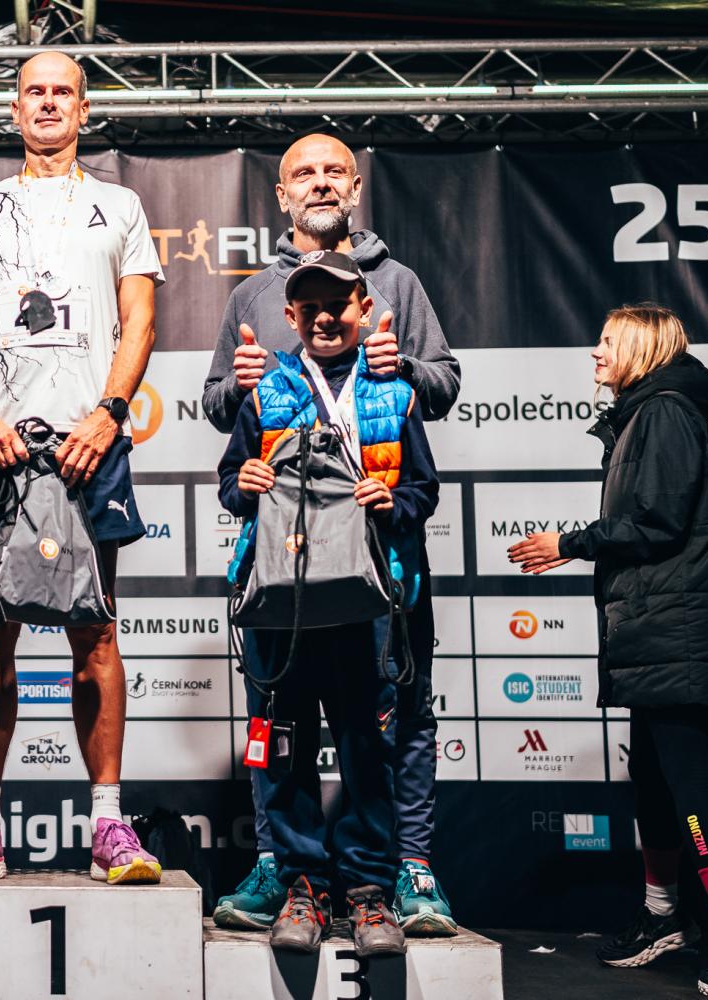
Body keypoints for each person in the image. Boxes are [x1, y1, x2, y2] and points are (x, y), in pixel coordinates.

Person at [204, 132, 461, 936]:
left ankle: (399, 869)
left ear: (354, 186)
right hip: (283, 568)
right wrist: (238, 390)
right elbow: (220, 414)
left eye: (332, 172)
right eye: (302, 174)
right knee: (279, 725)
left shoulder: (397, 282)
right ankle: (287, 868)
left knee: (389, 722)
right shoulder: (253, 295)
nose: (319, 184)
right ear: (280, 194)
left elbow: (441, 387)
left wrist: (400, 369)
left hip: (382, 567)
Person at [0, 50, 164, 886]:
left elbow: (140, 319)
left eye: (63, 92)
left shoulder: (119, 205)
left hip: (88, 443)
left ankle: (108, 827)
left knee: (95, 631)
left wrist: (109, 412)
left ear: (84, 110)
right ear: (15, 108)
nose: (49, 103)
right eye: (35, 91)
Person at [508, 304, 708, 998]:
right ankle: (663, 917)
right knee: (653, 779)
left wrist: (568, 542)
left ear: (641, 349)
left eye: (606, 342)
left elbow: (655, 522)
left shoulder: (663, 413)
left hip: (680, 633)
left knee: (689, 785)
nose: (594, 354)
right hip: (661, 632)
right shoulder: (645, 414)